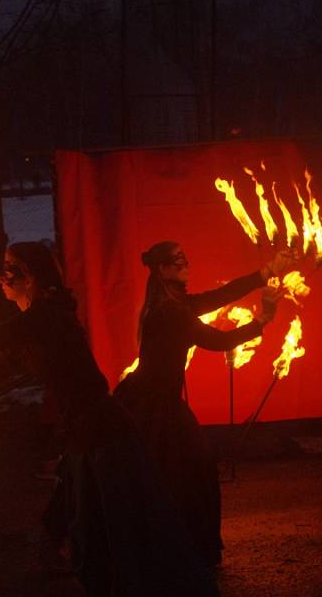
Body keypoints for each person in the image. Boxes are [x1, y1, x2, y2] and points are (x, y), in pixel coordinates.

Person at [0, 242, 217, 596]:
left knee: (119, 530)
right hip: (86, 435)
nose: (1, 277)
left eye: (10, 267)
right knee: (92, 529)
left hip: (105, 433)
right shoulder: (33, 326)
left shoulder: (45, 318)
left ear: (30, 276)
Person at [113, 241, 297, 568]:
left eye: (186, 258)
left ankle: (169, 549)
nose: (186, 264)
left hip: (151, 400)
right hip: (153, 405)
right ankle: (180, 553)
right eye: (178, 261)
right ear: (162, 270)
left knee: (168, 474)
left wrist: (266, 273)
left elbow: (218, 297)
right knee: (187, 473)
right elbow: (218, 341)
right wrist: (263, 319)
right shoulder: (170, 311)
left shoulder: (170, 302)